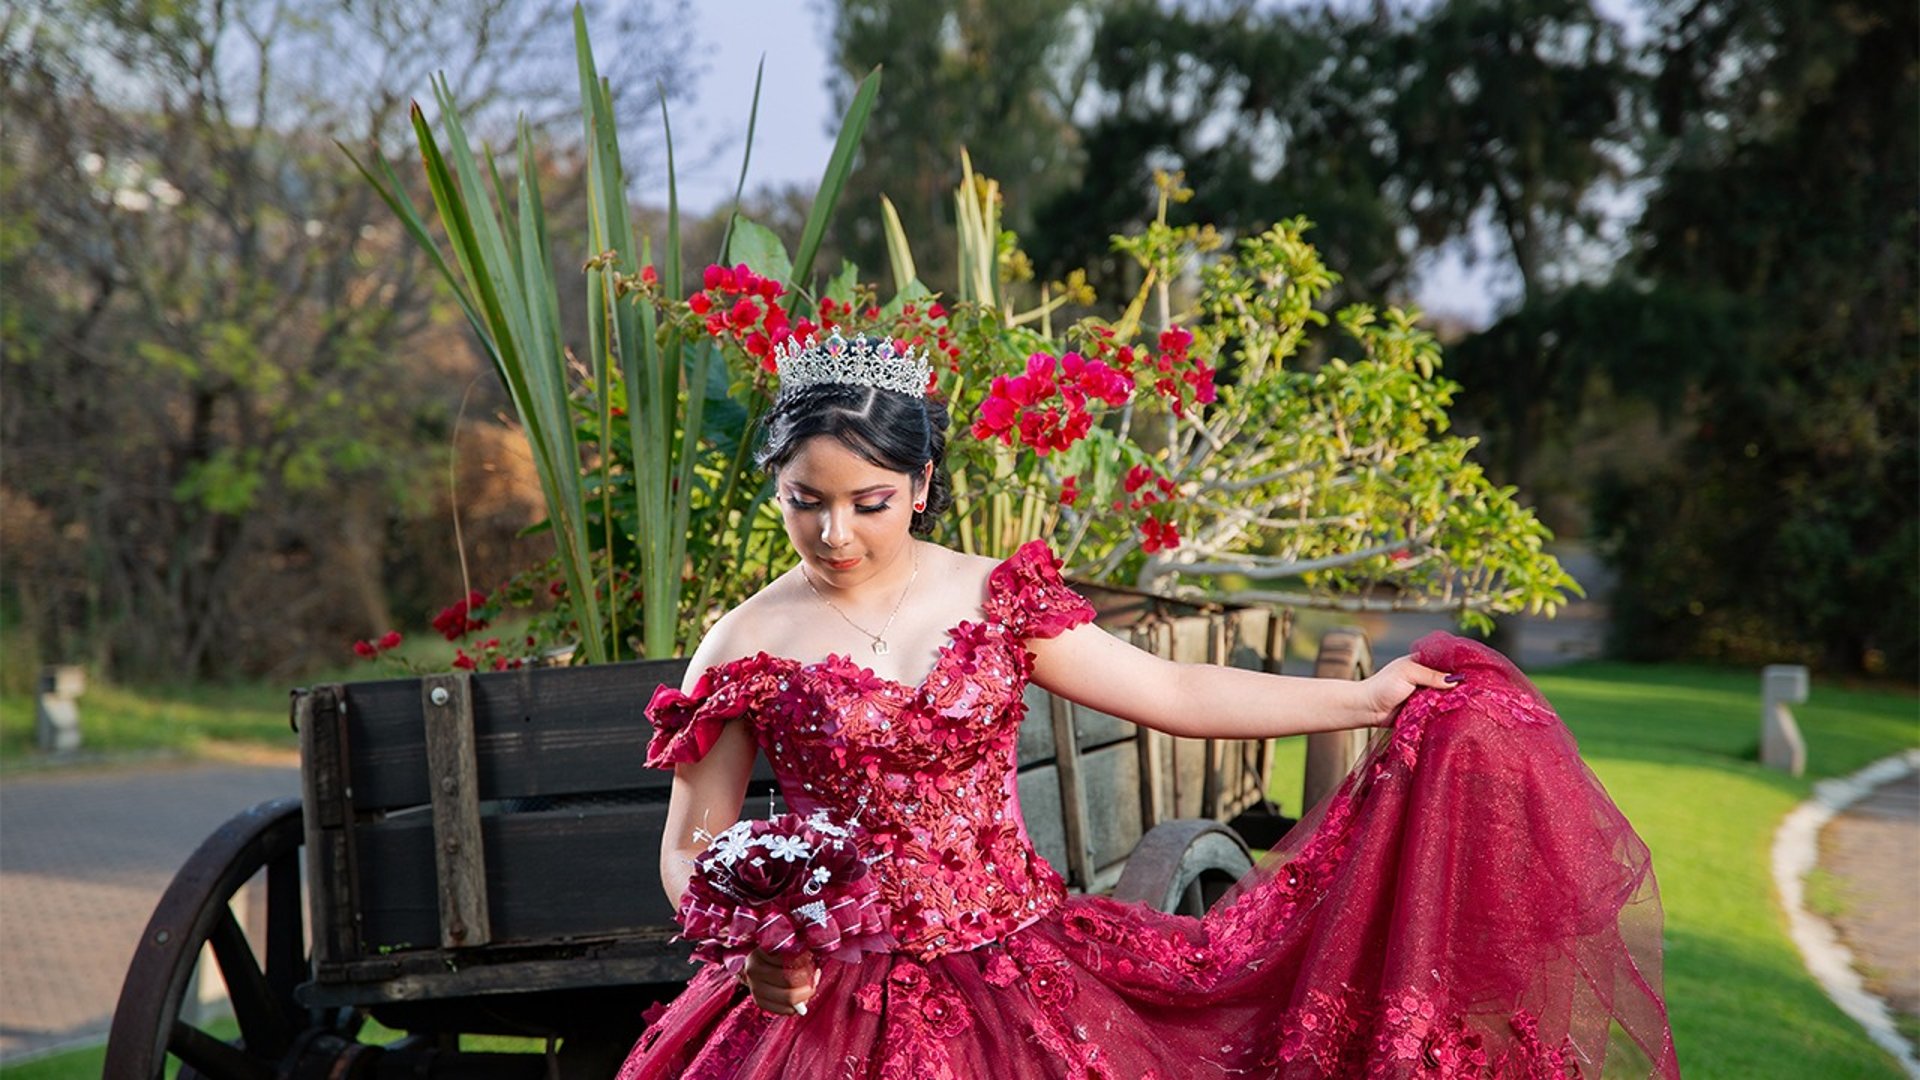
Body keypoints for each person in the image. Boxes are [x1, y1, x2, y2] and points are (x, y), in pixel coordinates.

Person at [616, 333, 1680, 1079]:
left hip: (1014, 969)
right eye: (805, 503)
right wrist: (749, 936)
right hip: (821, 1003)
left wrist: (1365, 692)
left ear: (924, 484)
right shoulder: (743, 641)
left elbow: (1171, 690)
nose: (835, 534)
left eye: (868, 504)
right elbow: (690, 846)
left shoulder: (993, 597)